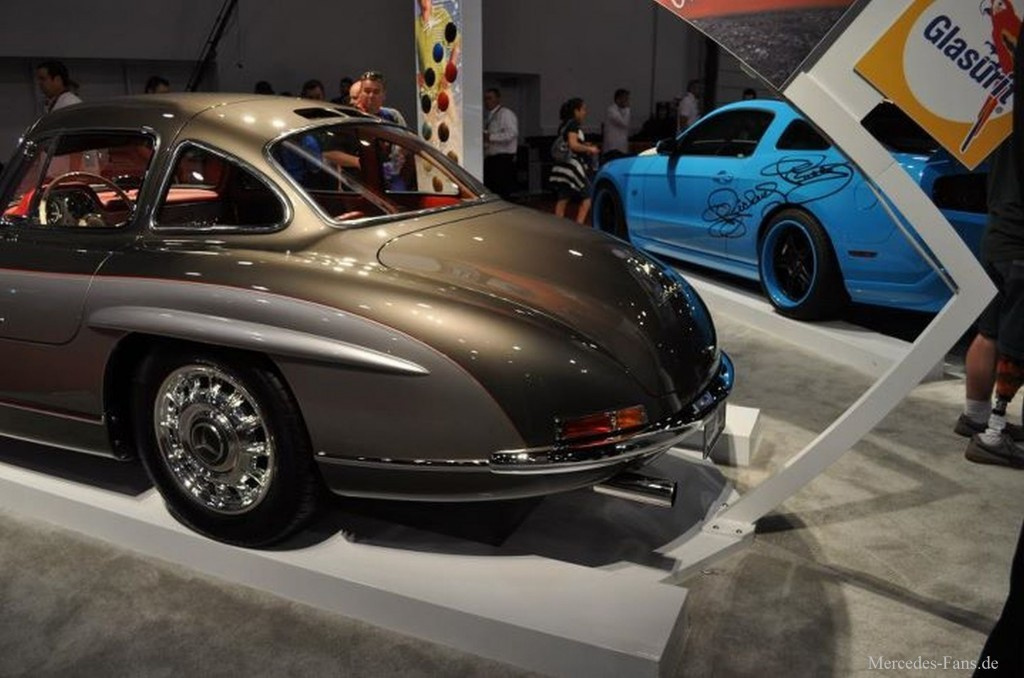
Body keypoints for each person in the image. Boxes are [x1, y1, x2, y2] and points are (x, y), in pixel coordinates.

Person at [957, 136, 1024, 468]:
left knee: (989, 333)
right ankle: (994, 436)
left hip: (997, 235)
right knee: (1017, 346)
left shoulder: (1002, 125)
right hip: (1021, 243)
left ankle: (976, 418)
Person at [549, 97, 600, 224]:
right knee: (587, 196)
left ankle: (558, 226)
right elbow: (573, 145)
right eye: (583, 109)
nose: (585, 113)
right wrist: (589, 148)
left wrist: (584, 145)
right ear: (576, 111)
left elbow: (569, 142)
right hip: (572, 167)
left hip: (562, 166)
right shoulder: (573, 125)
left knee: (563, 198)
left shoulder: (564, 125)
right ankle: (579, 225)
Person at [483, 88, 519, 198]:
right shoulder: (489, 115)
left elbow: (512, 133)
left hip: (503, 159)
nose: (487, 101)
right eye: (485, 99)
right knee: (491, 189)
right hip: (491, 158)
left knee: (501, 190)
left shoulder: (505, 114)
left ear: (498, 99)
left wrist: (491, 137)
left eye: (490, 98)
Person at [602, 88, 631, 161]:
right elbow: (624, 123)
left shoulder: (623, 110)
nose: (627, 101)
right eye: (625, 99)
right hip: (612, 147)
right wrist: (627, 109)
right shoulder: (611, 110)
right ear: (618, 99)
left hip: (622, 147)